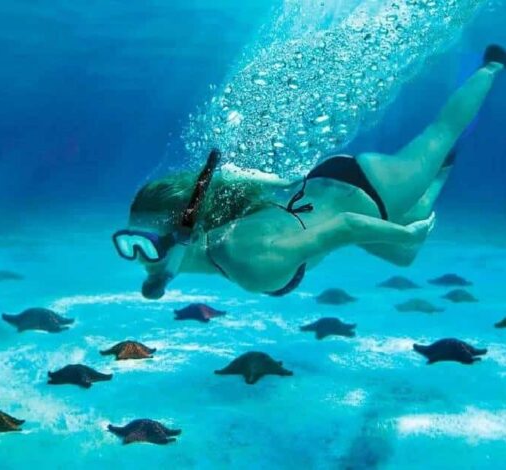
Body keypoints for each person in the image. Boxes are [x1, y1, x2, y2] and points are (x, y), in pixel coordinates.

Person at [113, 45, 505, 299]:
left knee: (440, 135)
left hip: (371, 194)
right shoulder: (211, 234)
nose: (138, 255)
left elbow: (348, 227)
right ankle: (434, 184)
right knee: (403, 260)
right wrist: (157, 274)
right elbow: (224, 190)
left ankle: (493, 65)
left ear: (187, 234)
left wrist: (405, 231)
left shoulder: (250, 263)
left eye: (146, 243)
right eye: (132, 241)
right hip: (319, 183)